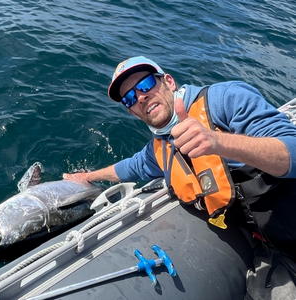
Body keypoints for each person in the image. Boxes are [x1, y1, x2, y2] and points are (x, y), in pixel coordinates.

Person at [63, 56, 296, 299]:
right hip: (267, 246)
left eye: (144, 85)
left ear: (169, 82)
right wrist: (86, 177)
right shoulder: (158, 149)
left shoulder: (225, 99)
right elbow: (129, 168)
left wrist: (219, 142)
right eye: (130, 98)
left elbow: (293, 150)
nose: (140, 97)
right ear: (131, 111)